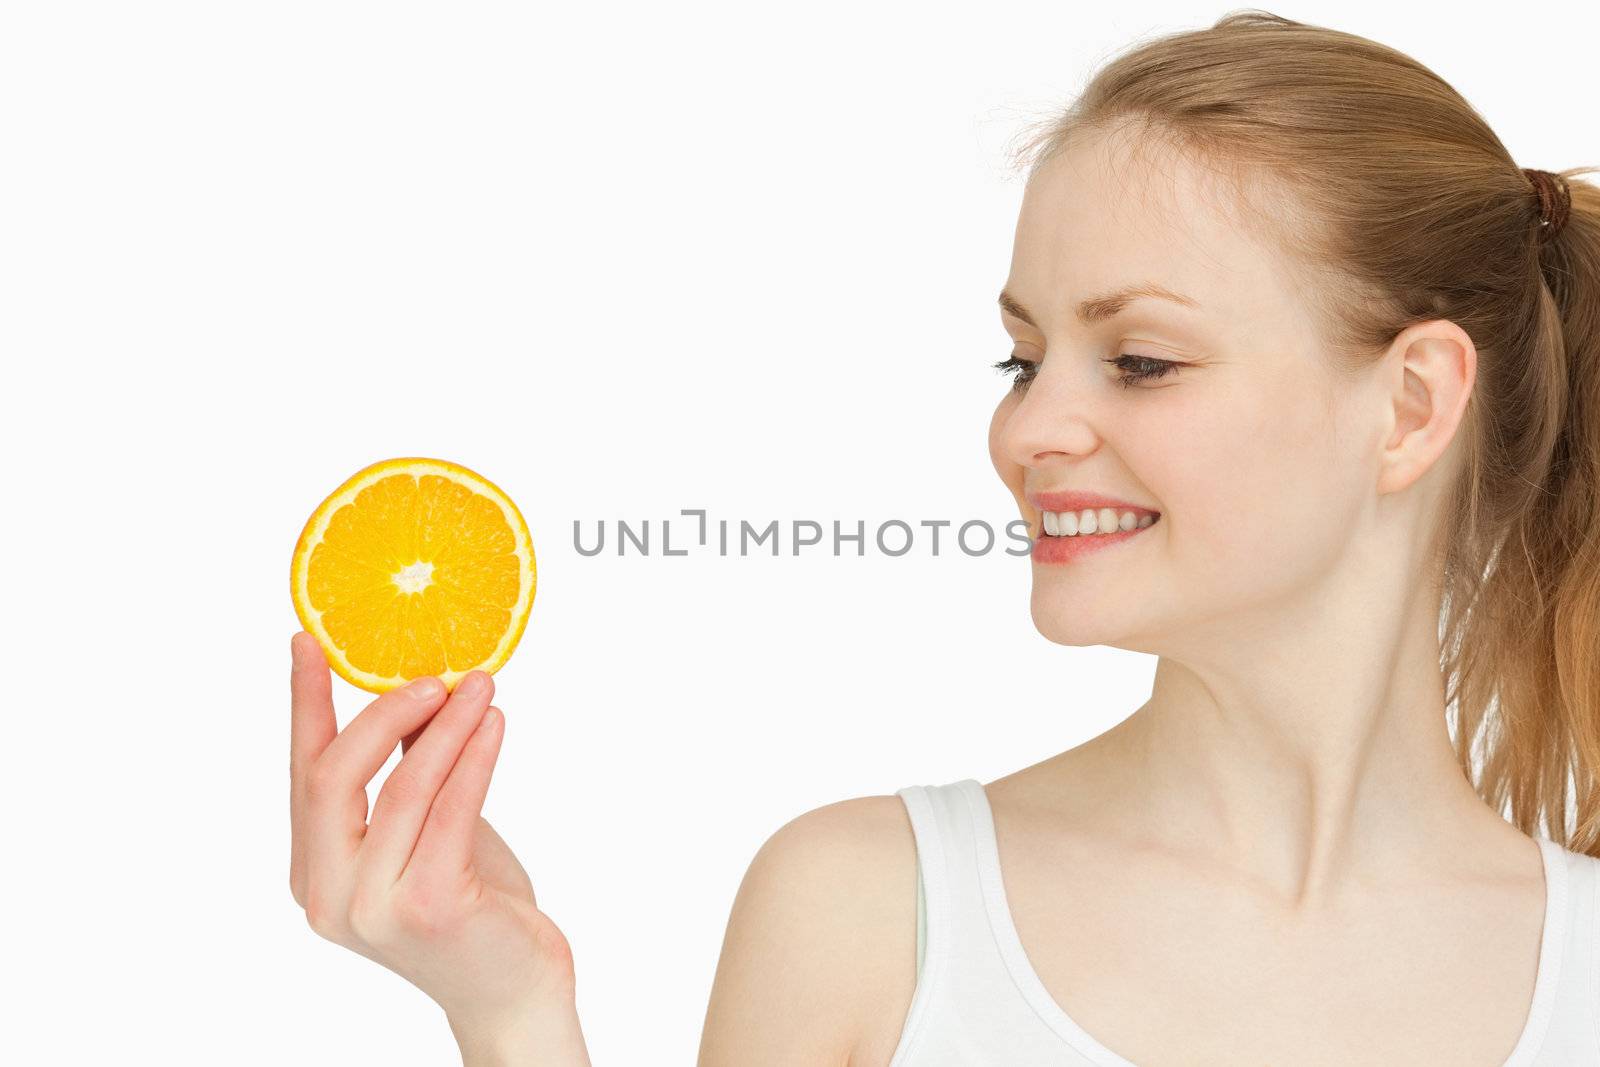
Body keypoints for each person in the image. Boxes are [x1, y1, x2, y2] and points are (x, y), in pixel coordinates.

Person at [287, 11, 1600, 1065]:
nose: (1030, 431)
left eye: (1139, 360)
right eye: (1021, 359)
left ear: (1413, 404)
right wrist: (512, 1015)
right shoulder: (867, 915)